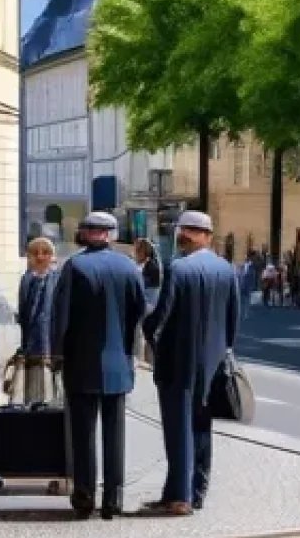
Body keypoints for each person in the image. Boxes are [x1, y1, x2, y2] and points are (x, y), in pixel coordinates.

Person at [142, 210, 240, 516]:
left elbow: (162, 313)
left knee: (178, 429)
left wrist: (148, 333)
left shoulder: (178, 268)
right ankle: (196, 492)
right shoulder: (226, 269)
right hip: (211, 363)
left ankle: (180, 496)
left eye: (185, 232)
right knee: (201, 427)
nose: (182, 236)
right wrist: (222, 352)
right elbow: (233, 319)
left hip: (178, 360)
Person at [50, 211, 146, 520]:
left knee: (83, 434)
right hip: (117, 362)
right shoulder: (128, 267)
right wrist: (128, 347)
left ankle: (84, 497)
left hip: (81, 363)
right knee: (114, 433)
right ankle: (113, 499)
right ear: (111, 235)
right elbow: (138, 311)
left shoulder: (74, 266)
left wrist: (57, 354)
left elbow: (61, 316)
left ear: (86, 234)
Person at [10, 236, 59, 403]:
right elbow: (24, 311)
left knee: (50, 384)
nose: (40, 257)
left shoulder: (57, 278)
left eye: (45, 253)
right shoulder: (27, 278)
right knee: (33, 385)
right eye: (35, 253)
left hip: (52, 342)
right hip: (31, 342)